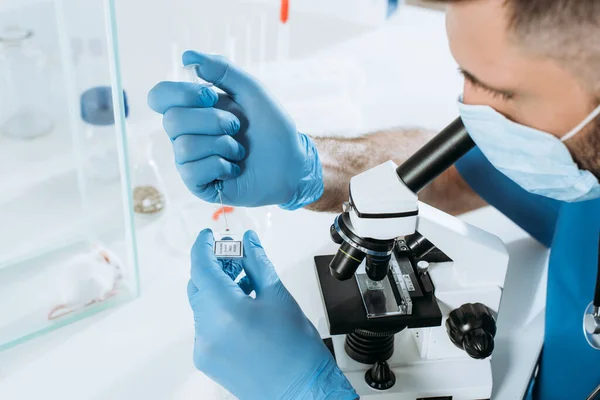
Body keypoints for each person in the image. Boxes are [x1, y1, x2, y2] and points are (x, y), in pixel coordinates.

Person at [148, 0, 600, 398]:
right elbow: (465, 168)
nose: (469, 110)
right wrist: (315, 167)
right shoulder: (579, 167)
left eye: (501, 92)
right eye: (464, 75)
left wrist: (305, 392)